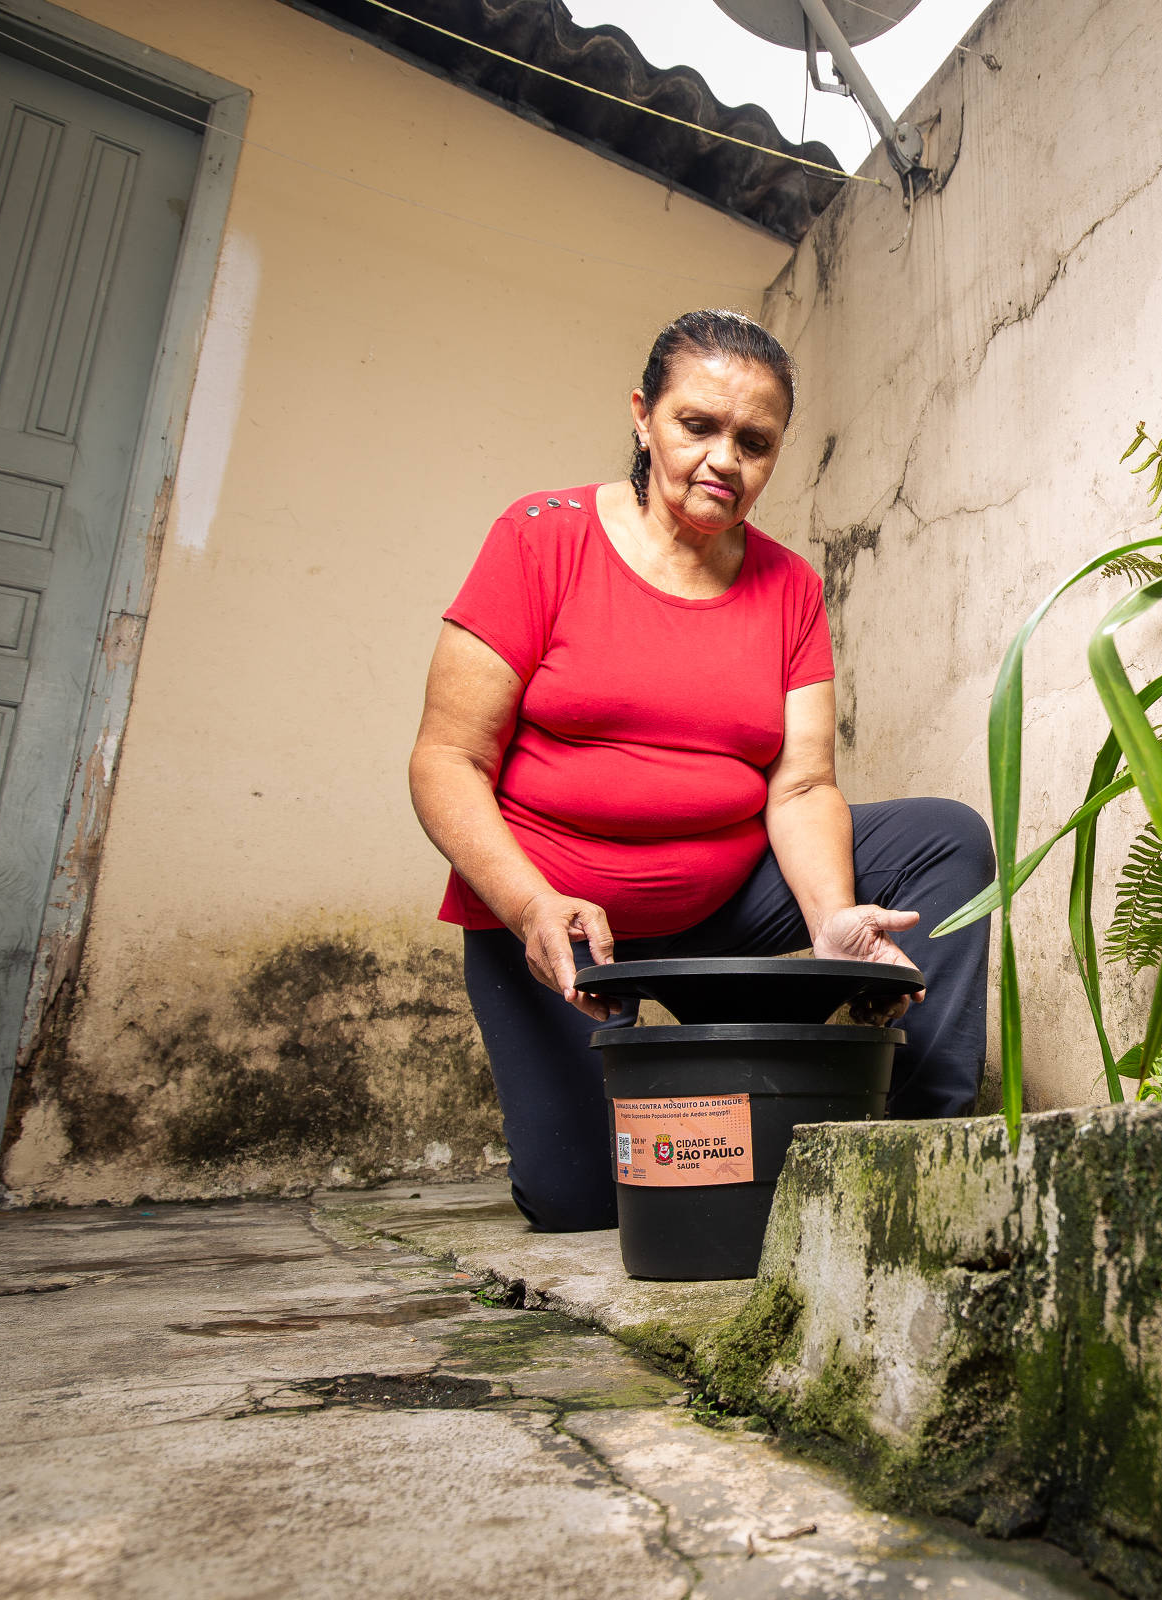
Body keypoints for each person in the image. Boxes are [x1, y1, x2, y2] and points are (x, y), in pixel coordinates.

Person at [408, 309, 992, 1232]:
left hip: (720, 903)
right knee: (584, 1201)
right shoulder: (540, 539)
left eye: (754, 442)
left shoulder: (790, 585)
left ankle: (919, 1145)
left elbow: (800, 785)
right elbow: (446, 760)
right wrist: (528, 906)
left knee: (946, 839)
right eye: (698, 426)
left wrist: (831, 917)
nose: (725, 458)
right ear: (644, 416)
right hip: (561, 923)